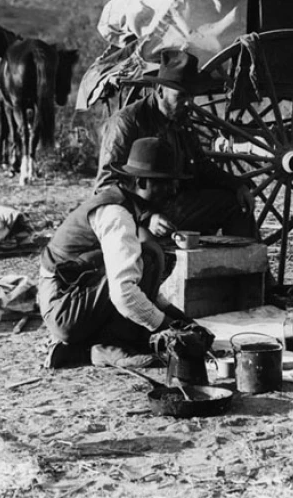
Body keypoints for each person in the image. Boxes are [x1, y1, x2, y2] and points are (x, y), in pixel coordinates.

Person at [38, 137, 188, 369]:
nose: (173, 190)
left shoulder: (127, 207)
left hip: (76, 296)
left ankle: (103, 346)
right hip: (63, 308)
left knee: (150, 253)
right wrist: (168, 327)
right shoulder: (116, 214)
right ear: (141, 181)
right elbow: (124, 293)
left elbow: (141, 283)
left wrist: (182, 320)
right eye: (165, 183)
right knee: (148, 255)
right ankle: (103, 347)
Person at [96, 48, 255, 239]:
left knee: (238, 204)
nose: (188, 103)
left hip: (175, 203)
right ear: (160, 91)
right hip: (140, 211)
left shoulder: (179, 118)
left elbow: (201, 165)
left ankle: (248, 266)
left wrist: (237, 185)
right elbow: (106, 185)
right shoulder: (127, 122)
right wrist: (147, 217)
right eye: (180, 97)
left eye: (190, 96)